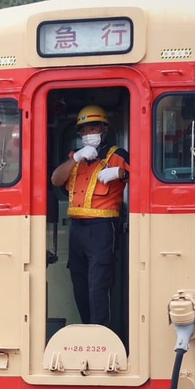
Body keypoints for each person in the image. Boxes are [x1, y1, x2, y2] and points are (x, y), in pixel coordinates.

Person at [50, 104, 129, 327]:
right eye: (83, 130)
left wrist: (120, 172)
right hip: (77, 230)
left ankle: (101, 335)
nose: (87, 134)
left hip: (102, 229)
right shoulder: (76, 158)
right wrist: (75, 158)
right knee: (80, 286)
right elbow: (56, 179)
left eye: (92, 128)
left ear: (104, 129)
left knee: (98, 287)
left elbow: (145, 177)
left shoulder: (117, 156)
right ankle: (87, 332)